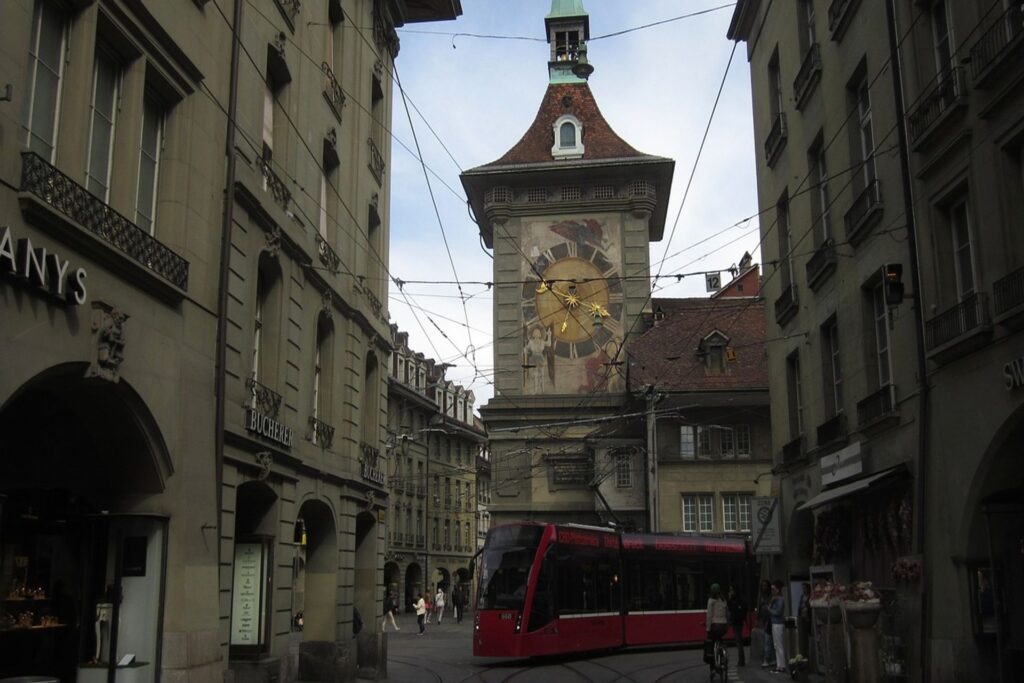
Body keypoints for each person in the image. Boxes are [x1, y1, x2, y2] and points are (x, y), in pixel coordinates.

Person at [769, 580, 787, 674]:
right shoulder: (775, 599)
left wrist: (769, 610)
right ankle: (779, 665)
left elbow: (778, 612)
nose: (772, 591)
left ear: (778, 589)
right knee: (776, 645)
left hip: (778, 624)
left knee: (779, 645)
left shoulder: (780, 599)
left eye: (773, 589)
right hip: (775, 623)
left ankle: (782, 666)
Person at [727, 586, 747, 666]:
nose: (730, 592)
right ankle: (741, 660)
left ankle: (741, 661)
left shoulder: (735, 601)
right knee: (739, 642)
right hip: (739, 622)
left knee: (739, 642)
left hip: (736, 623)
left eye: (731, 590)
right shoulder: (738, 600)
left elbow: (731, 609)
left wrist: (729, 598)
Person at [758, 579, 774, 668]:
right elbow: (760, 607)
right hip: (764, 619)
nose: (764, 587)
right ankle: (771, 659)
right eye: (762, 585)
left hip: (769, 619)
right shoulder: (761, 596)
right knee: (767, 640)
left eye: (765, 585)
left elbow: (770, 606)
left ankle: (767, 659)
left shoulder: (770, 596)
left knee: (767, 640)